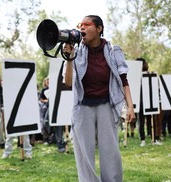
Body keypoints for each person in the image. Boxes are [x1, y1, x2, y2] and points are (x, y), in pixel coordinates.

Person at [63, 15, 135, 182]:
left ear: (99, 28)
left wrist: (130, 106)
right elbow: (68, 83)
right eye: (80, 25)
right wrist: (69, 59)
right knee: (84, 155)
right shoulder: (77, 51)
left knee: (110, 152)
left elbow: (124, 80)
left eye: (87, 24)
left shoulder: (113, 51)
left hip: (106, 106)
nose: (82, 28)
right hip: (83, 108)